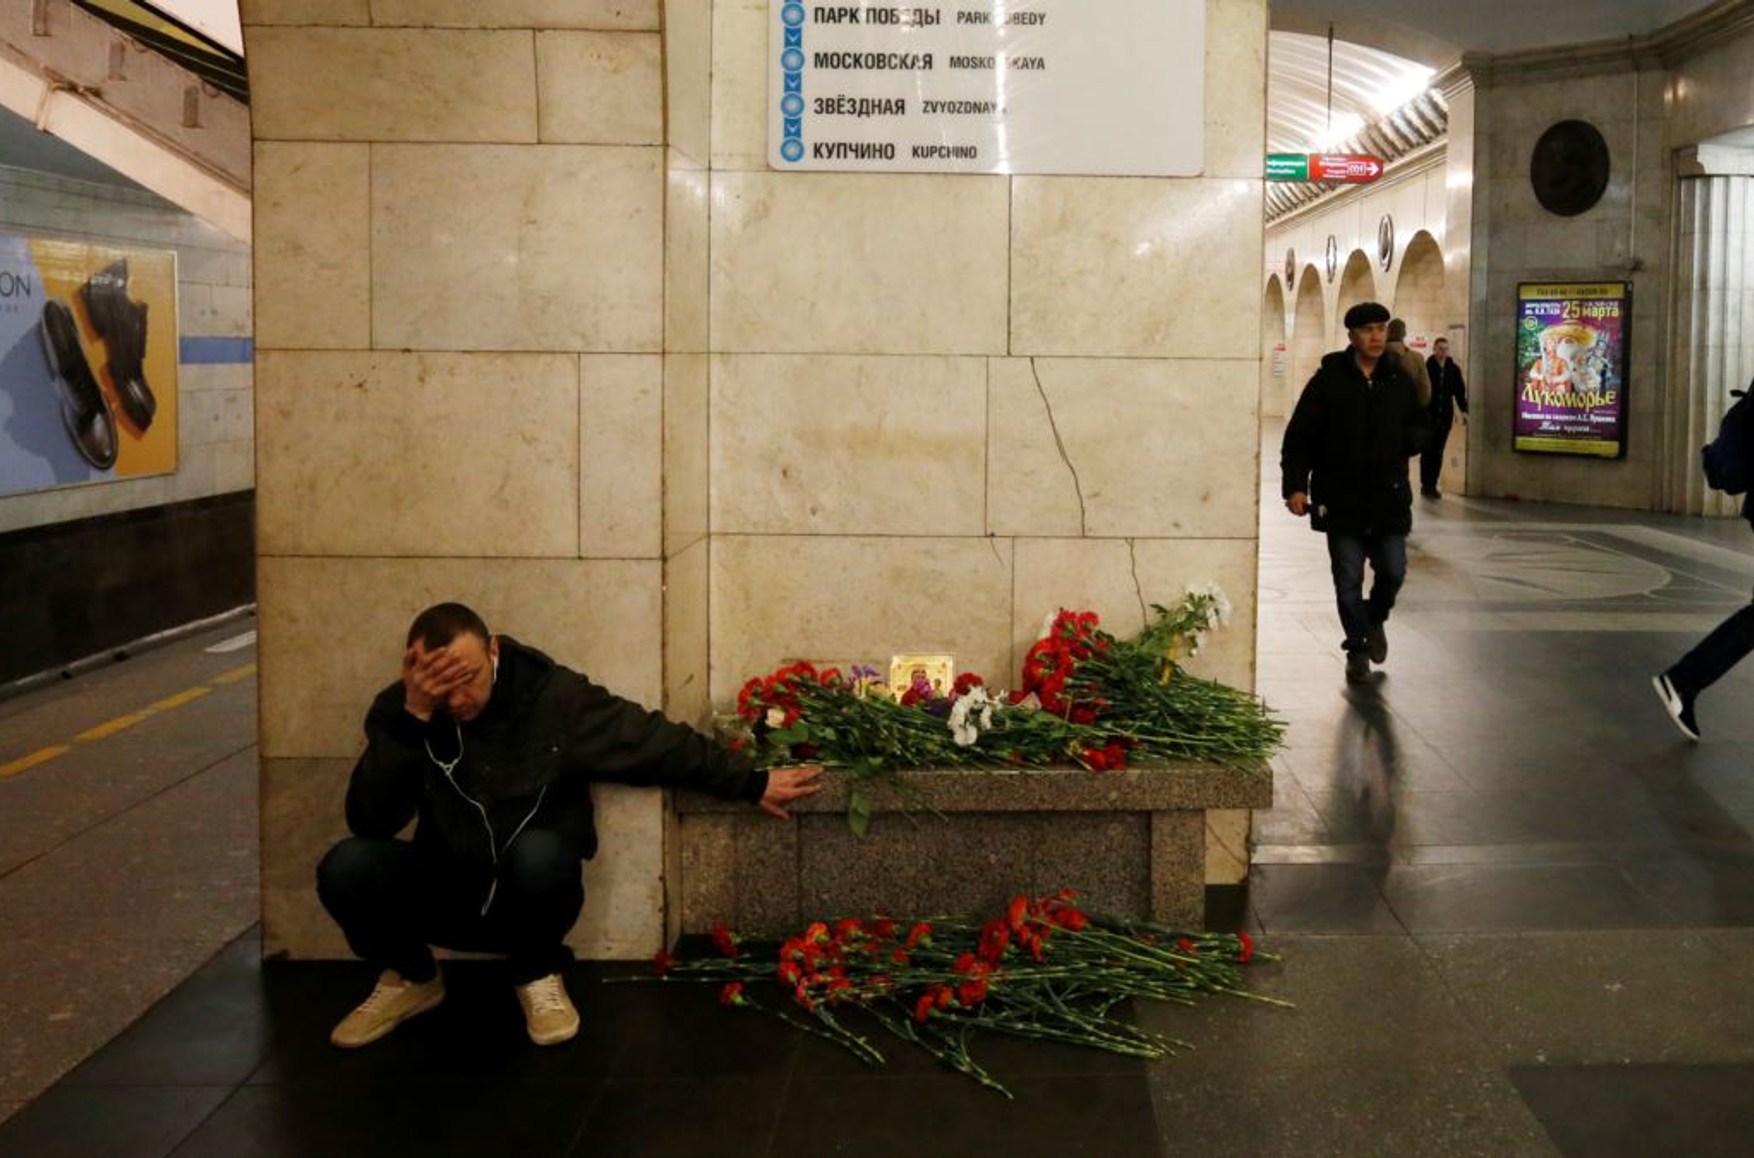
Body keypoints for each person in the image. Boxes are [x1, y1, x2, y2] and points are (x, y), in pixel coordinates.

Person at [316, 602, 822, 1048]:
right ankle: (411, 976)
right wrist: (414, 717)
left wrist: (750, 782)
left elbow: (648, 740)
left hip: (528, 893)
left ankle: (537, 972)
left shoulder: (551, 696)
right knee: (344, 866)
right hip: (448, 880)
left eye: (468, 677)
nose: (459, 698)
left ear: (493, 651)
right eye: (442, 686)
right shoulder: (407, 712)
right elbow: (370, 820)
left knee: (542, 852)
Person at [1281, 302, 1430, 684]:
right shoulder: (1328, 382)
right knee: (1347, 579)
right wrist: (1295, 486)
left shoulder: (1398, 379)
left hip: (1387, 498)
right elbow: (1300, 438)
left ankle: (1373, 619)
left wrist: (1410, 441)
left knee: (1393, 571)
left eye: (1381, 328)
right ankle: (1358, 648)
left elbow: (1419, 421)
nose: (1376, 336)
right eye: (1367, 330)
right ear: (1351, 335)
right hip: (1340, 499)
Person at [1421, 337, 1469, 498]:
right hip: (1429, 416)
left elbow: (1459, 391)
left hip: (1445, 417)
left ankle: (1433, 484)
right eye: (1440, 349)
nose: (1443, 352)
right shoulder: (1427, 367)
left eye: (1445, 349)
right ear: (1434, 349)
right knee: (1427, 451)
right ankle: (1425, 484)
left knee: (1438, 451)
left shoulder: (1453, 369)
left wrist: (1464, 410)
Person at [1385, 318, 1432, 408]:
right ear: (1404, 334)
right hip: (1408, 409)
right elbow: (1425, 391)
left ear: (1388, 332)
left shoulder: (1375, 356)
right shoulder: (1417, 358)